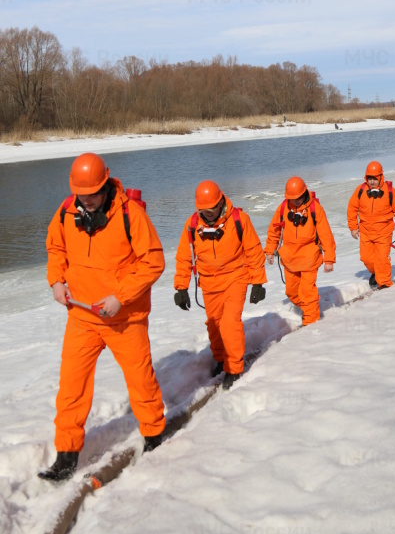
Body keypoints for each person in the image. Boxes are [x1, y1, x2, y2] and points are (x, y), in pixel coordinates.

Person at [39, 153, 166, 482]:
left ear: (106, 185)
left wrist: (120, 297)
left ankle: (154, 435)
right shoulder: (67, 210)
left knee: (141, 380)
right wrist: (56, 280)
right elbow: (56, 248)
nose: (87, 201)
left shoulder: (131, 214)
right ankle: (66, 455)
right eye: (82, 195)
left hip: (125, 318)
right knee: (71, 388)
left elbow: (152, 261)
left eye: (93, 195)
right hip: (82, 316)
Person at [174, 180, 267, 390]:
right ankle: (220, 358)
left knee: (229, 324)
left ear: (220, 203)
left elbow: (253, 251)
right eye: (203, 211)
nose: (207, 214)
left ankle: (234, 368)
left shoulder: (239, 220)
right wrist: (181, 287)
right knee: (214, 325)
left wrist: (258, 282)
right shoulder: (192, 225)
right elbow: (183, 258)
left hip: (236, 277)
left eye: (211, 209)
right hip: (208, 282)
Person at [265, 176, 336, 325]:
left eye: (297, 198)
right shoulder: (283, 208)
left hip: (310, 257)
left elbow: (326, 234)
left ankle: (311, 321)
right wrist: (270, 250)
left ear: (304, 193)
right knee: (292, 293)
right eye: (291, 198)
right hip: (289, 258)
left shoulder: (315, 208)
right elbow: (274, 230)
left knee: (307, 292)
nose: (295, 201)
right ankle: (311, 308)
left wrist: (329, 259)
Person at [347, 161, 395, 290]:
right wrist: (353, 227)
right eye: (370, 178)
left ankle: (385, 284)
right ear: (366, 177)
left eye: (375, 178)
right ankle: (376, 272)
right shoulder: (360, 190)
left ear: (381, 176)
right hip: (365, 232)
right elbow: (352, 208)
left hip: (384, 233)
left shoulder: (389, 191)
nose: (372, 181)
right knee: (366, 258)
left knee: (382, 259)